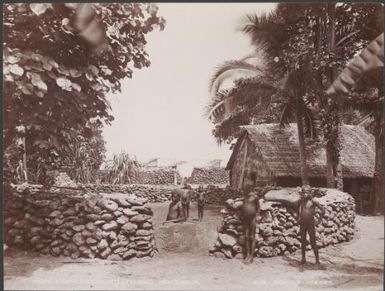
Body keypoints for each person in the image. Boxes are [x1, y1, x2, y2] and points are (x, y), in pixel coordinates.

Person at [298, 186, 325, 267]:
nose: (305, 194)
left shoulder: (313, 202)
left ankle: (317, 260)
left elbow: (323, 210)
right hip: (302, 224)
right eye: (303, 192)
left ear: (310, 193)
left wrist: (319, 221)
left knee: (313, 242)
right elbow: (298, 210)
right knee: (303, 241)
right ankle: (303, 258)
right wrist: (298, 218)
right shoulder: (301, 202)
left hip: (310, 224)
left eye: (306, 192)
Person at [241, 178, 261, 264]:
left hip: (252, 219)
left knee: (252, 237)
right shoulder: (245, 197)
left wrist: (257, 216)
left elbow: (258, 207)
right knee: (246, 236)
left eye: (246, 188)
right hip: (245, 219)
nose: (244, 189)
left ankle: (251, 256)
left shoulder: (255, 197)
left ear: (250, 188)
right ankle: (247, 254)